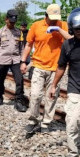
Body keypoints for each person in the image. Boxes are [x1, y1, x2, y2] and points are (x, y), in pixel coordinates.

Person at [20, 4, 71, 135]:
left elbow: (71, 39)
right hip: (38, 66)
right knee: (35, 96)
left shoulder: (62, 25)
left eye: (56, 17)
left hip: (56, 69)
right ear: (46, 15)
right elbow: (28, 45)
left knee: (51, 97)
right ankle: (33, 121)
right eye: (52, 17)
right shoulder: (36, 26)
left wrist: (58, 29)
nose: (54, 20)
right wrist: (23, 61)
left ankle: (46, 123)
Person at [50, 8, 80, 157]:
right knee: (72, 123)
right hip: (75, 90)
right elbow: (61, 66)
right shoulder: (67, 45)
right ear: (71, 29)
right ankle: (73, 152)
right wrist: (54, 85)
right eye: (77, 29)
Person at [0, 9, 27, 112]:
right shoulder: (0, 32)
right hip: (3, 60)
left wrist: (23, 62)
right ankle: (0, 96)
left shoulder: (19, 32)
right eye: (10, 22)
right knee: (0, 79)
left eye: (14, 22)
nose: (12, 24)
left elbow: (22, 48)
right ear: (6, 20)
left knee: (19, 80)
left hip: (15, 60)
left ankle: (18, 101)